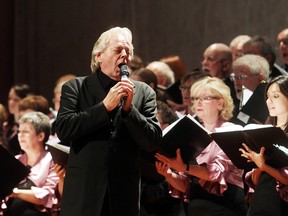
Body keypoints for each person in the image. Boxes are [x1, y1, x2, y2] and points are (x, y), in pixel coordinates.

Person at [53, 26, 162, 216]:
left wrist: (130, 110)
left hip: (123, 197)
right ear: (99, 56)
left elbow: (152, 141)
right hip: (84, 193)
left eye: (128, 51)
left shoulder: (144, 92)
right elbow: (63, 129)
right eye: (118, 50)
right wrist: (103, 107)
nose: (124, 55)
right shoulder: (76, 87)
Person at [155, 76, 248, 216]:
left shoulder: (230, 131)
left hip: (226, 207)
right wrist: (168, 174)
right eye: (195, 98)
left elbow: (217, 173)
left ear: (220, 103)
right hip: (196, 207)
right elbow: (185, 185)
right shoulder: (190, 132)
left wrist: (185, 168)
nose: (198, 103)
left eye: (205, 98)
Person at [239, 75, 288, 216]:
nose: (269, 101)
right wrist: (257, 164)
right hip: (261, 204)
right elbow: (255, 181)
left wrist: (264, 166)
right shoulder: (262, 132)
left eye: (276, 96)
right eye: (267, 96)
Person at [1, 112, 59, 216]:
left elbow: (49, 196)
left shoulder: (51, 160)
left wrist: (16, 193)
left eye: (26, 131)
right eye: (19, 131)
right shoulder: (16, 159)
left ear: (41, 136)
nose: (20, 135)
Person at [201, 43, 240, 117]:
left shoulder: (233, 90)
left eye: (210, 59)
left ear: (225, 65)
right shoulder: (199, 85)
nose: (204, 63)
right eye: (204, 58)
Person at [231, 54, 270, 124]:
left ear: (260, 78)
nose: (236, 82)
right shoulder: (235, 109)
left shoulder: (271, 106)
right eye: (234, 77)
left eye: (241, 76)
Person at [4, 84, 32, 155]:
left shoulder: (29, 126)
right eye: (10, 98)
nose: (11, 103)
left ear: (25, 101)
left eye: (16, 100)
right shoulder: (7, 125)